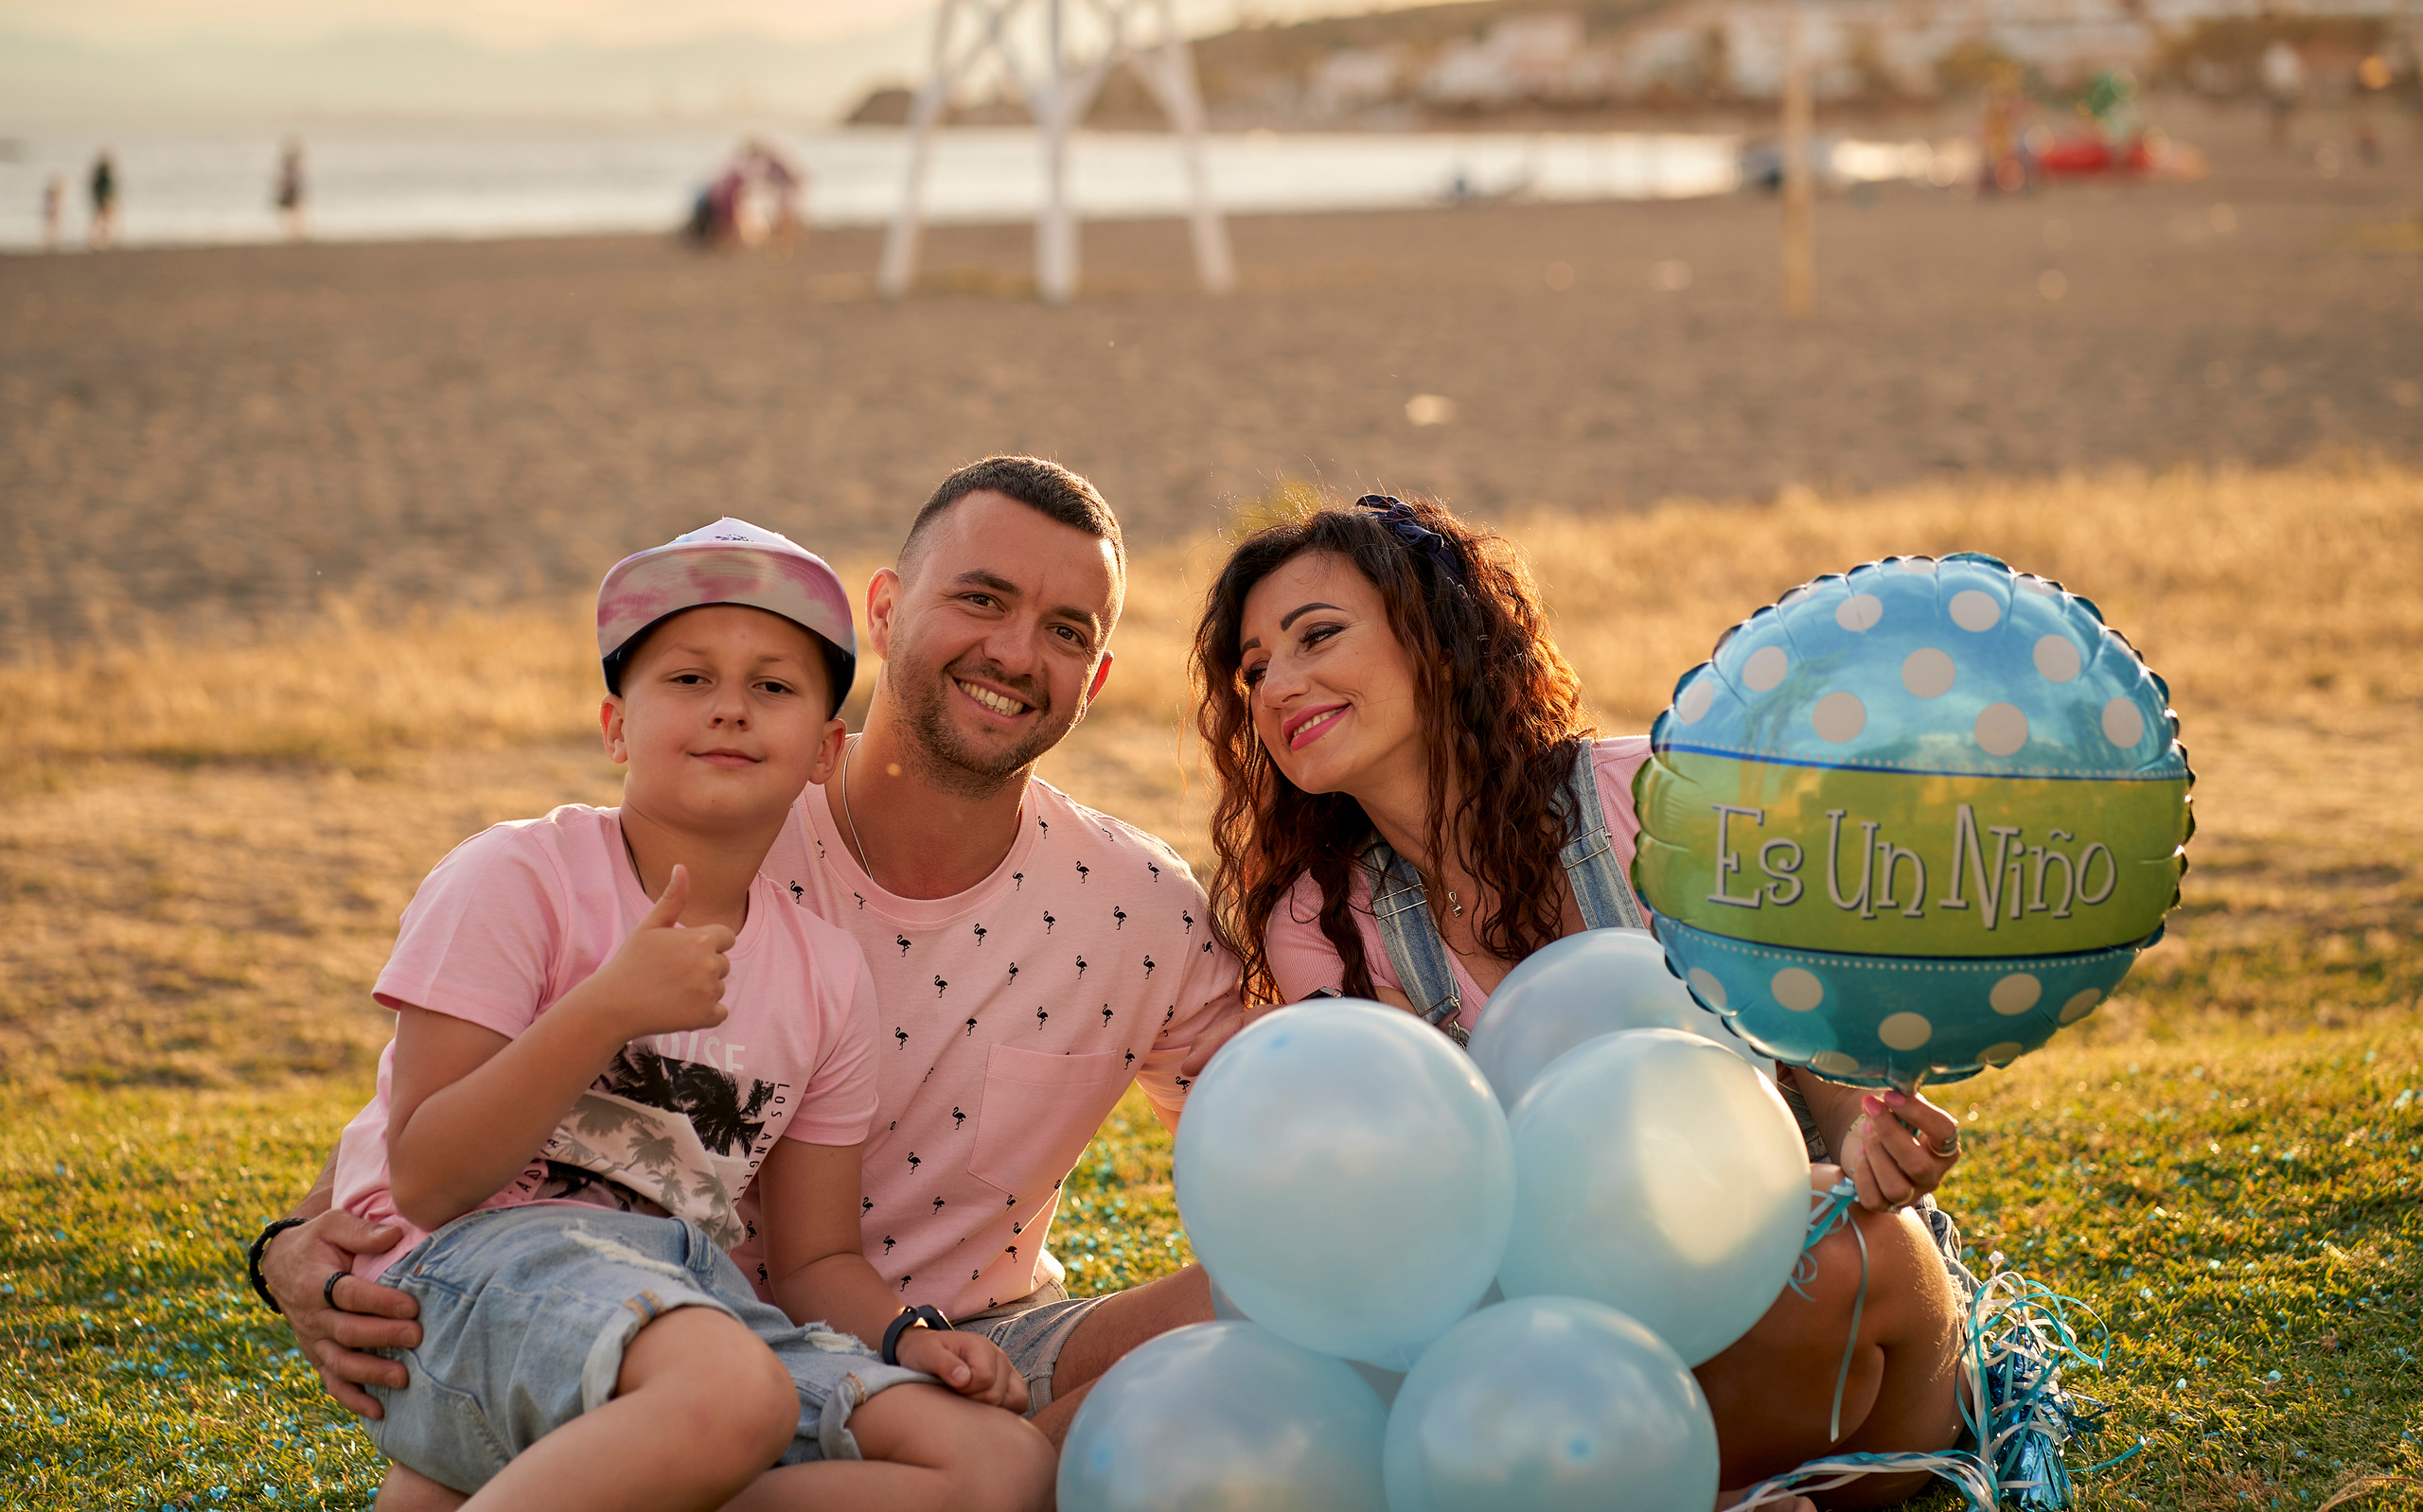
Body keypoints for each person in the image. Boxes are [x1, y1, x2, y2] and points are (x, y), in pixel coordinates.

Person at [253, 459, 1243, 1508]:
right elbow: (425, 1142)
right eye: (981, 599)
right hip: (617, 1302)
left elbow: (1274, 1125)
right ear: (888, 609)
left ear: (1093, 679)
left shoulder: (1129, 907)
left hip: (861, 1331)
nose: (1012, 650)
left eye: (1066, 630)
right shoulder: (686, 828)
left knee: (1036, 1450)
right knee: (722, 1399)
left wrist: (919, 1341)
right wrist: (288, 1246)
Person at [1191, 493, 1972, 1505]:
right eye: (1252, 671)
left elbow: (1817, 1050)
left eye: (1316, 637)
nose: (1278, 686)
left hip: (1803, 1329)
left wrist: (1865, 1129)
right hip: (1550, 1376)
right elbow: (1402, 1228)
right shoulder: (1318, 921)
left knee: (1827, 1250)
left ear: (1435, 635)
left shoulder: (1650, 800)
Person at [318, 517, 1050, 1508]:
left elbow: (815, 1259)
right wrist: (609, 1007)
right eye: (688, 678)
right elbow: (428, 1177)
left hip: (691, 1303)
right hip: (468, 1282)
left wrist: (913, 1337)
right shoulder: (516, 876)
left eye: (774, 687)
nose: (731, 710)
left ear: (821, 752)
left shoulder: (824, 975)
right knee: (727, 1393)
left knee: (997, 1468)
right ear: (616, 723)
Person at [275, 140, 308, 240]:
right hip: (290, 191)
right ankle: (292, 233)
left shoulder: (289, 167)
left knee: (293, 212)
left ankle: (294, 233)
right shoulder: (290, 167)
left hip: (291, 191)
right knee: (292, 212)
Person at [88, 150, 117, 249]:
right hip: (104, 201)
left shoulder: (101, 178)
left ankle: (99, 240)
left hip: (102, 201)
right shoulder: (105, 178)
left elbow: (96, 189)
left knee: (100, 222)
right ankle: (101, 241)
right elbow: (109, 191)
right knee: (104, 222)